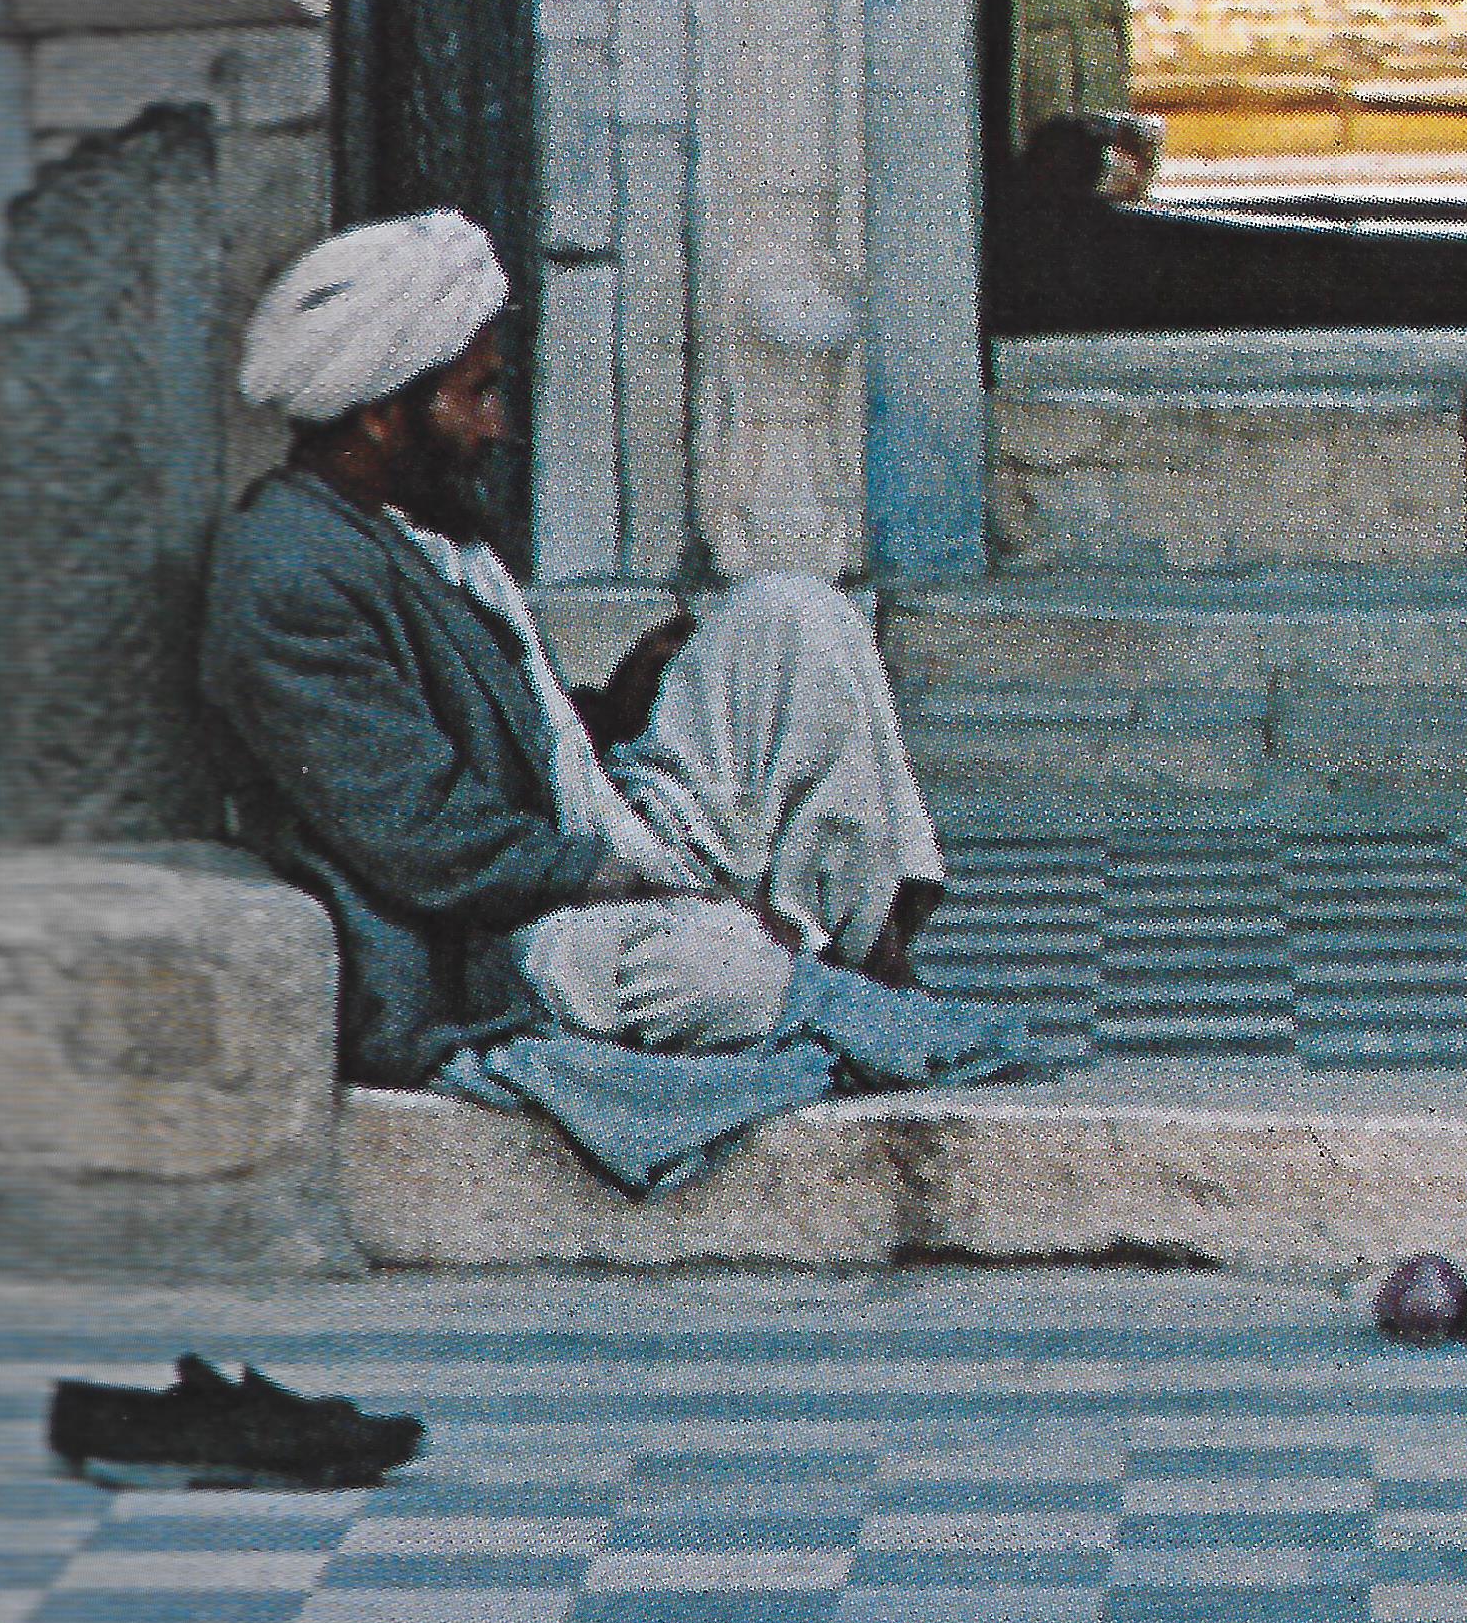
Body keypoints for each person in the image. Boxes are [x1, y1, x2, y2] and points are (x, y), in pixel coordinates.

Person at [198, 211, 952, 1089]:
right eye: (475, 394)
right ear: (377, 412)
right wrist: (650, 886)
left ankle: (861, 966)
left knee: (798, 616)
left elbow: (505, 740)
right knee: (718, 976)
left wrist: (606, 708)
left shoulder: (423, 518)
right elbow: (431, 841)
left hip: (600, 834)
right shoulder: (289, 571)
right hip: (508, 929)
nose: (497, 426)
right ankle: (797, 974)